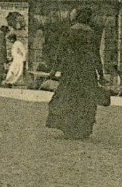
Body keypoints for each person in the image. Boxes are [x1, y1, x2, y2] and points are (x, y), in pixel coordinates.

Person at [46, 8, 107, 140]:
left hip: (71, 69)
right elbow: (96, 55)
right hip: (87, 70)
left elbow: (60, 52)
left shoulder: (69, 31)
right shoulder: (92, 34)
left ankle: (68, 127)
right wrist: (101, 75)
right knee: (85, 100)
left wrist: (54, 69)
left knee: (68, 97)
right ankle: (82, 128)